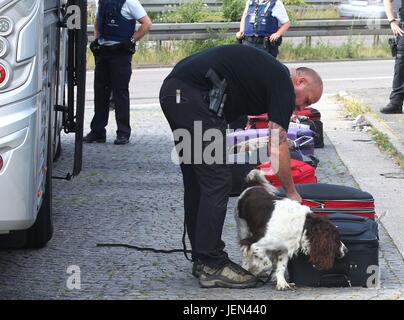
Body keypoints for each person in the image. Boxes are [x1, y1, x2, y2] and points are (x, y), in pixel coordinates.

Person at [159, 44, 323, 289]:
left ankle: (202, 258)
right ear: (299, 80)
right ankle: (212, 263)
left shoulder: (266, 74)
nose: (300, 109)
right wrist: (291, 192)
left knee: (198, 181)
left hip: (175, 93)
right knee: (217, 180)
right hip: (191, 96)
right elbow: (276, 148)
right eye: (305, 101)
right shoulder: (281, 81)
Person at [83, 0, 151, 145]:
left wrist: (131, 41)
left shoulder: (130, 2)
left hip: (120, 53)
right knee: (100, 92)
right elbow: (98, 22)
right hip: (103, 52)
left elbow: (146, 24)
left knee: (120, 93)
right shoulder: (102, 2)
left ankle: (123, 133)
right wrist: (96, 40)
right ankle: (98, 132)